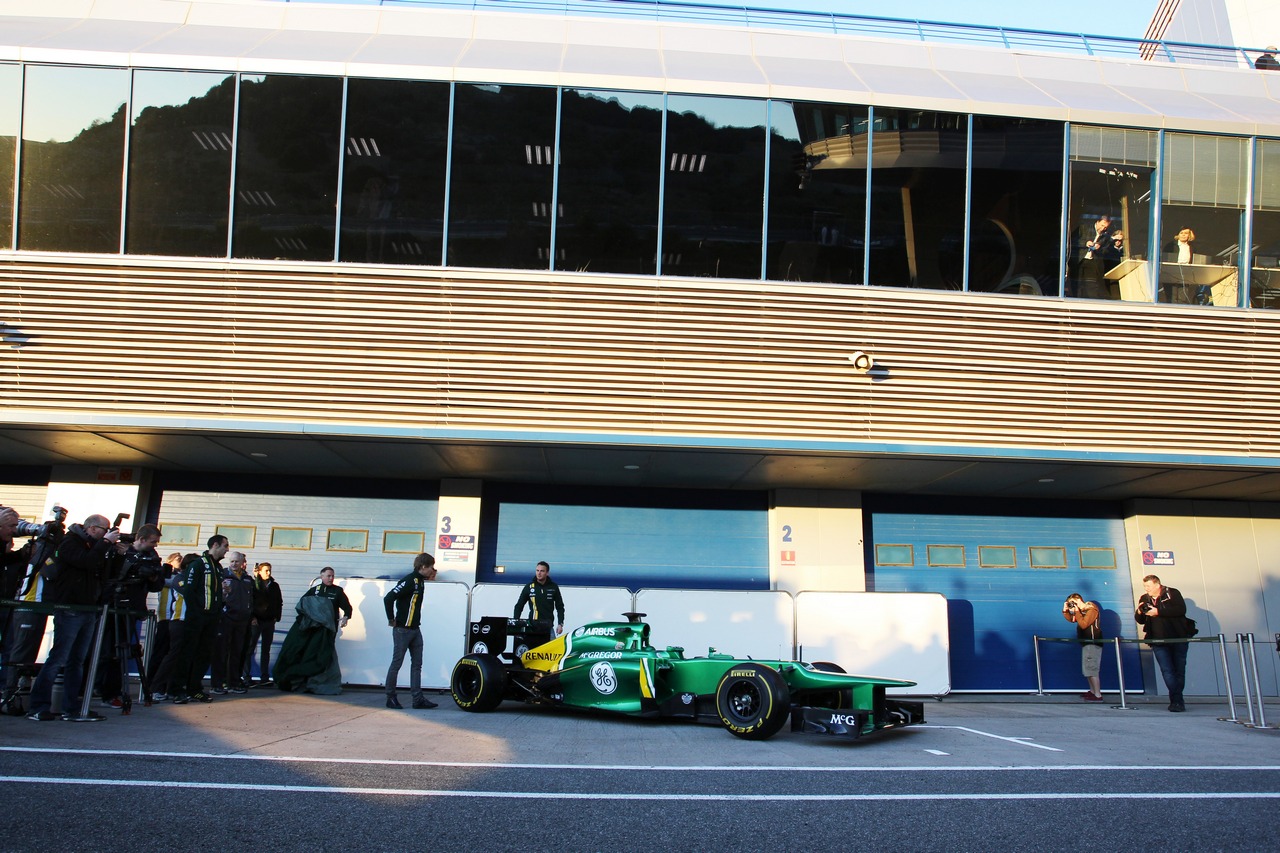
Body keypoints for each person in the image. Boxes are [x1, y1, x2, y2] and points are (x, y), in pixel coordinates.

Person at [26, 514, 121, 721]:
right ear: (93, 528)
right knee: (58, 658)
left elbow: (101, 571)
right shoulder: (70, 542)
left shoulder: (94, 546)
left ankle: (71, 707)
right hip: (70, 607)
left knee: (77, 660)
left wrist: (111, 551)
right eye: (105, 530)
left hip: (88, 607)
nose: (107, 534)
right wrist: (105, 544)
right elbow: (85, 562)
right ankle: (38, 706)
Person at [1, 505, 67, 715]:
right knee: (18, 653)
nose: (14, 531)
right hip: (27, 606)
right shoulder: (37, 555)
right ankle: (9, 695)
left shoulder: (29, 554)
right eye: (11, 526)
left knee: (15, 653)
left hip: (22, 607)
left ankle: (11, 694)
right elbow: (51, 571)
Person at [97, 523, 165, 709]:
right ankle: (98, 689)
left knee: (123, 652)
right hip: (112, 606)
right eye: (153, 542)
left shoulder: (152, 557)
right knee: (105, 651)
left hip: (133, 608)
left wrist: (151, 577)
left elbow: (157, 585)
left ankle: (113, 692)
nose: (155, 546)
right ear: (141, 539)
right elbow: (106, 575)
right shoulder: (119, 553)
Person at [274, 567, 351, 695]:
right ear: (322, 576)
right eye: (328, 576)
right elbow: (302, 605)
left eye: (332, 576)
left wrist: (346, 617)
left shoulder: (337, 591)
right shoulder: (314, 591)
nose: (331, 578)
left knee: (325, 655)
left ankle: (322, 682)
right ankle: (305, 681)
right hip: (313, 632)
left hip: (328, 631)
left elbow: (347, 607)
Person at [171, 534, 229, 704]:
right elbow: (189, 591)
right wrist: (197, 612)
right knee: (187, 653)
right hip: (196, 618)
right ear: (215, 545)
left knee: (204, 654)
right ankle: (177, 689)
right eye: (225, 546)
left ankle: (194, 688)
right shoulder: (198, 564)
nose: (227, 549)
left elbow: (216, 593)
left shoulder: (218, 567)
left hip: (212, 619)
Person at [383, 552, 438, 710]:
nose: (432, 570)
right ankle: (390, 696)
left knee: (417, 664)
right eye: (430, 567)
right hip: (402, 629)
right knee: (397, 663)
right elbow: (388, 598)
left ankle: (417, 698)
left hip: (415, 629)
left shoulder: (421, 581)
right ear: (422, 567)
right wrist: (391, 619)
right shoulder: (409, 580)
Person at [1135, 574, 1191, 712]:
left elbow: (1180, 610)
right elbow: (1141, 620)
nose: (1146, 589)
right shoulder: (1144, 598)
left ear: (1157, 585)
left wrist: (1158, 611)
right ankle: (1177, 700)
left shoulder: (1172, 593)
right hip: (1157, 640)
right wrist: (1139, 611)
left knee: (1179, 670)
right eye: (1145, 586)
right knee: (1167, 671)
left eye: (1148, 586)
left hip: (1177, 638)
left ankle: (1177, 699)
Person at [211, 550, 253, 694]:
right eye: (232, 561)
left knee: (237, 652)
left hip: (242, 620)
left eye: (237, 561)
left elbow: (251, 598)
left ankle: (233, 682)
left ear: (243, 563)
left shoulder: (247, 579)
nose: (234, 564)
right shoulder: (222, 575)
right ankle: (217, 683)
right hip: (226, 618)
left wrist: (250, 614)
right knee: (221, 651)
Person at [147, 552, 186, 701]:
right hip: (165, 617)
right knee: (160, 653)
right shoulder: (167, 576)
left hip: (174, 618)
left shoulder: (180, 576)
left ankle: (165, 686)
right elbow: (169, 582)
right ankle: (151, 685)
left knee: (171, 654)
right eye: (178, 560)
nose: (180, 562)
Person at [243, 561, 282, 685]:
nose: (268, 573)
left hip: (269, 621)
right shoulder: (254, 585)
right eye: (266, 570)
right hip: (256, 621)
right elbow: (249, 601)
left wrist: (276, 616)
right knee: (250, 648)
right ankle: (246, 676)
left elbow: (279, 602)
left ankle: (264, 677)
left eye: (269, 570)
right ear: (259, 572)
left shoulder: (274, 585)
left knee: (266, 649)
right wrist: (252, 617)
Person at [1062, 593, 1104, 701]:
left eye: (1073, 603)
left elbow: (1084, 624)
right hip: (1086, 643)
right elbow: (1072, 620)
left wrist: (1077, 612)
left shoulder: (1091, 610)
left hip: (1093, 643)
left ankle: (1098, 694)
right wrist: (1065, 611)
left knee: (1092, 669)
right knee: (1087, 669)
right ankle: (1092, 691)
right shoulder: (1082, 611)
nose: (1072, 605)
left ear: (1079, 600)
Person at [513, 560, 565, 636]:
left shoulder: (553, 587)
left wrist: (560, 624)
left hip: (548, 627)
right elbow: (519, 606)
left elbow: (560, 607)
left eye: (542, 571)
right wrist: (516, 622)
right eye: (537, 570)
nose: (539, 573)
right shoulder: (529, 587)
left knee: (551, 648)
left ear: (547, 573)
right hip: (532, 627)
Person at [1069, 214, 1113, 300]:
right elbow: (1072, 241)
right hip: (1079, 260)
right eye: (1102, 225)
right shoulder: (1083, 228)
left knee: (1091, 287)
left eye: (1106, 227)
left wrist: (1099, 248)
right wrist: (1085, 243)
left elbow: (1106, 251)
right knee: (1077, 285)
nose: (1103, 228)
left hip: (1093, 262)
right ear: (1097, 222)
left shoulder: (1106, 236)